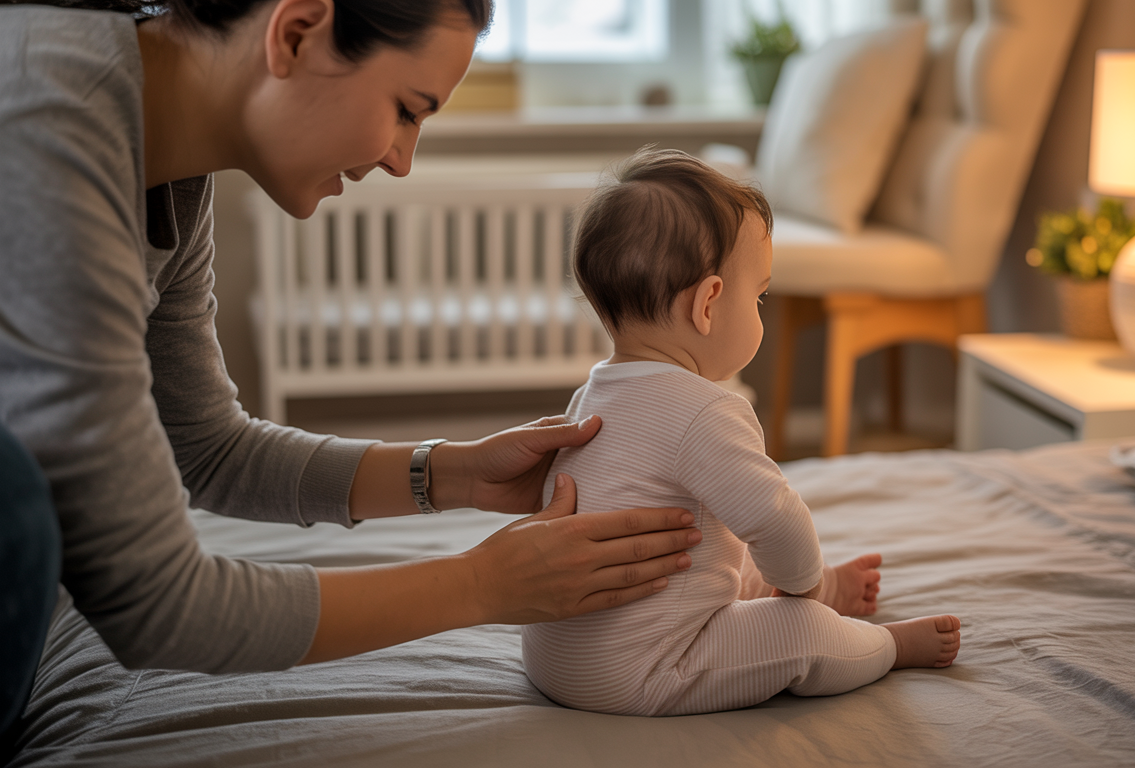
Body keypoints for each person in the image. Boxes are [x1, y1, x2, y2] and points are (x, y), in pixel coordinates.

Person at [0, 0, 705, 739]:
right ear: (297, 31)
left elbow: (204, 447)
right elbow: (159, 607)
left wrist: (453, 473)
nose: (402, 161)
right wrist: (483, 584)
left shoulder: (169, 174)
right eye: (407, 109)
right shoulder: (53, 127)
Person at [521, 149, 962, 717]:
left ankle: (828, 586)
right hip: (643, 668)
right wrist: (809, 591)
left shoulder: (594, 394)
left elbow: (728, 534)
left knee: (718, 544)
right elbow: (776, 517)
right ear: (708, 304)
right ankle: (886, 645)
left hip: (556, 660)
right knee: (796, 626)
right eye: (758, 297)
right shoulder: (705, 410)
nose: (760, 310)